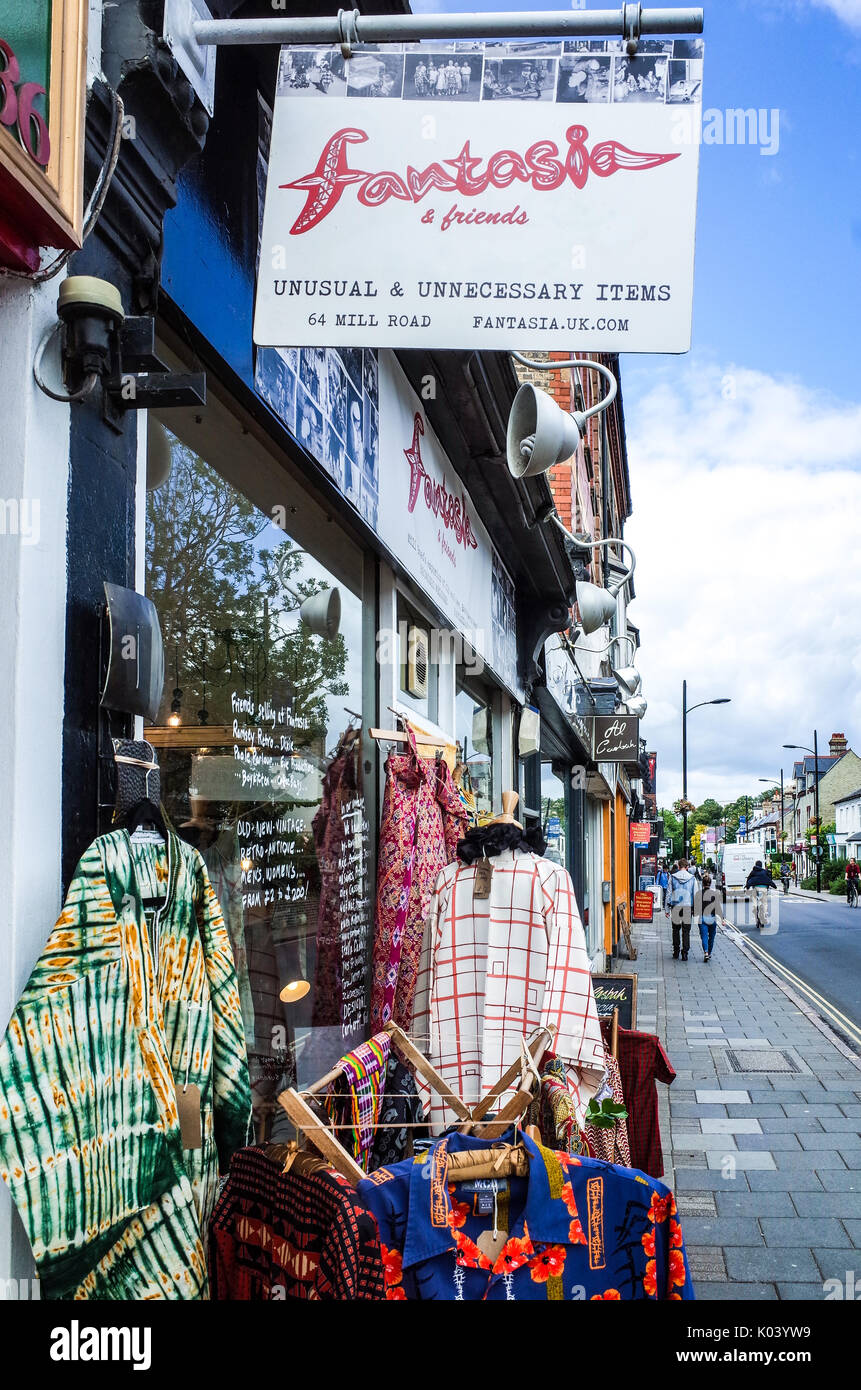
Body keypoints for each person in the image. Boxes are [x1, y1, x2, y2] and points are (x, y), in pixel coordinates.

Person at [667, 858, 697, 961]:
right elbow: (695, 894)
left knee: (675, 929)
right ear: (687, 867)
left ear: (679, 867)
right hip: (688, 907)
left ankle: (676, 951)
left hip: (676, 906)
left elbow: (669, 893)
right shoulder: (692, 878)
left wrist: (667, 909)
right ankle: (685, 953)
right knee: (686, 930)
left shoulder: (673, 877)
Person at [697, 873, 722, 962]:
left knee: (704, 936)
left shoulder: (699, 894)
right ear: (710, 884)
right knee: (711, 937)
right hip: (712, 918)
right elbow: (718, 907)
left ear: (702, 884)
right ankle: (710, 953)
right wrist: (722, 919)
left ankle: (706, 952)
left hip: (702, 918)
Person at [745, 859, 775, 929]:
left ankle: (755, 909)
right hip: (764, 890)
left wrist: (747, 886)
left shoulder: (753, 872)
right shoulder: (764, 872)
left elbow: (749, 879)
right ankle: (764, 914)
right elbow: (769, 880)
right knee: (764, 903)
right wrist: (773, 885)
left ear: (756, 865)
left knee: (755, 903)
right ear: (761, 866)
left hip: (755, 889)